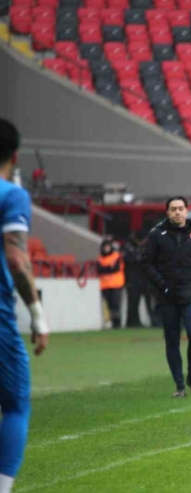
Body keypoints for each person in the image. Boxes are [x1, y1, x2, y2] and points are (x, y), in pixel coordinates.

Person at [0, 118, 50, 493]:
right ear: (15, 155)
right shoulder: (11, 194)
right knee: (16, 403)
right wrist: (37, 314)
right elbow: (16, 259)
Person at [141, 196, 191, 397]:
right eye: (173, 209)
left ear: (186, 211)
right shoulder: (156, 235)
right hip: (167, 296)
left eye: (180, 208)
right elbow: (146, 263)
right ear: (167, 212)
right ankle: (179, 386)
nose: (177, 212)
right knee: (172, 341)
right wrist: (162, 286)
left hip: (190, 294)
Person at [123, 231, 157, 327]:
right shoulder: (129, 248)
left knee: (149, 302)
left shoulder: (146, 247)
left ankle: (153, 321)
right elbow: (130, 260)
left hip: (145, 279)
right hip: (133, 279)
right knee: (133, 302)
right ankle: (133, 322)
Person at [97, 239, 125, 329]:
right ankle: (113, 322)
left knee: (116, 304)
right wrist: (109, 267)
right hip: (105, 285)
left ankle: (118, 322)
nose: (106, 249)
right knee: (109, 305)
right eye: (104, 247)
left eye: (107, 246)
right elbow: (100, 270)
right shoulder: (100, 258)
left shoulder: (116, 256)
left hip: (116, 284)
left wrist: (107, 268)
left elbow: (116, 268)